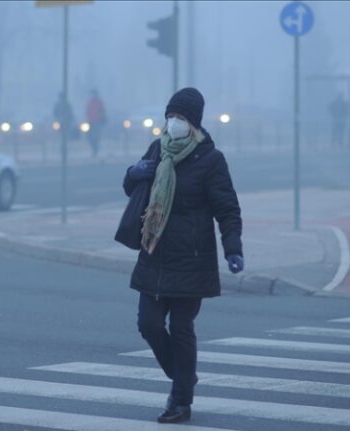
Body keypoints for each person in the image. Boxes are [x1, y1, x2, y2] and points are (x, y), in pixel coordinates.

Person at [122, 87, 243, 424]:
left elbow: (227, 209)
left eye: (180, 118)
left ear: (194, 123)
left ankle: (180, 401)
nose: (173, 122)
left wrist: (233, 248)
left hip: (192, 259)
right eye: (170, 116)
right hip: (154, 251)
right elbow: (133, 188)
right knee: (148, 324)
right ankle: (184, 378)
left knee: (181, 327)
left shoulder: (211, 160)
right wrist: (133, 174)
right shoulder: (157, 149)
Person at [85, 89, 107, 157]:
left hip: (97, 122)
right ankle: (94, 148)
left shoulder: (99, 102)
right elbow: (87, 111)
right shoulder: (90, 102)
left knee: (96, 137)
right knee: (89, 136)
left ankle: (95, 150)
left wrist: (102, 118)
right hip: (90, 122)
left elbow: (103, 111)